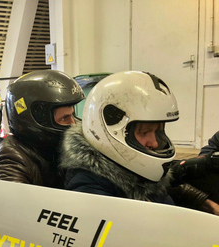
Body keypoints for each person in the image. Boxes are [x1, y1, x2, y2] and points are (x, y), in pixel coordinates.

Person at [60, 71, 178, 204]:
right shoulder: (87, 184)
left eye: (158, 131)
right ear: (111, 130)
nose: (155, 143)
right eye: (144, 132)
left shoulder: (141, 171)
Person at [0, 69, 85, 187]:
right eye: (64, 118)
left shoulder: (55, 148)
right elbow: (14, 202)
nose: (73, 124)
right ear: (36, 118)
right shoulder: (11, 157)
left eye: (72, 115)